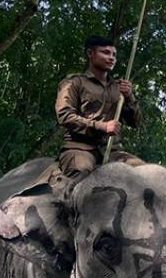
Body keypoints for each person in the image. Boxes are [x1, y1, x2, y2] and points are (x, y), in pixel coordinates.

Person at [55, 35, 144, 179]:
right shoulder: (74, 82)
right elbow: (65, 116)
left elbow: (136, 122)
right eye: (105, 52)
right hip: (79, 148)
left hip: (112, 151)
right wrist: (103, 126)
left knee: (144, 173)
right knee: (82, 174)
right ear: (90, 53)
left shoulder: (119, 88)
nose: (111, 58)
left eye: (114, 54)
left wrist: (129, 97)